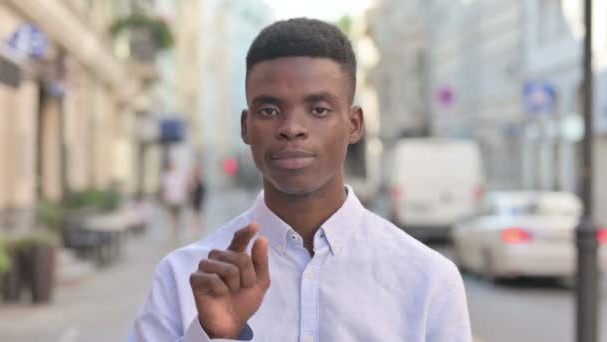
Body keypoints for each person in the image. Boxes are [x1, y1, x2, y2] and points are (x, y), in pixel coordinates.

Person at [130, 18, 472, 341]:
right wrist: (215, 335)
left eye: (319, 109)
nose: (291, 127)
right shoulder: (184, 277)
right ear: (246, 127)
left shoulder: (428, 279)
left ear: (354, 125)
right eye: (269, 110)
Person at [161, 160, 188, 245]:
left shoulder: (181, 176)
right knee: (171, 218)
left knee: (178, 218)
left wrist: (185, 198)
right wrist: (165, 199)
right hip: (170, 200)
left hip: (179, 199)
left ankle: (176, 234)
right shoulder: (167, 176)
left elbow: (184, 188)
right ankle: (172, 234)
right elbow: (164, 189)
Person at [190, 165, 207, 237]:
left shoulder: (200, 183)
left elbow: (203, 192)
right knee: (195, 216)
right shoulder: (193, 182)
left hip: (199, 201)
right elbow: (191, 192)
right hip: (195, 201)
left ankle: (199, 230)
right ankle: (195, 230)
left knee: (198, 216)